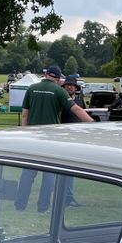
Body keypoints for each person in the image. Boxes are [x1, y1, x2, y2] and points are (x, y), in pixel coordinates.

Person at [16, 65, 94, 210]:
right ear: (58, 79)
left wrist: (24, 134)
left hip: (32, 139)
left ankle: (20, 206)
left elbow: (25, 115)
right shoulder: (59, 91)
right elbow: (76, 109)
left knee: (27, 174)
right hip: (50, 141)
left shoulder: (31, 89)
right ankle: (43, 207)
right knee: (48, 175)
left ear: (46, 75)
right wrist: (93, 124)